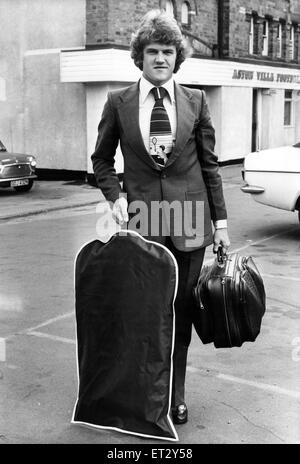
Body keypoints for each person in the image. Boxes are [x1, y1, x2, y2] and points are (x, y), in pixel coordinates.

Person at [91, 9, 230, 425]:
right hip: (143, 223)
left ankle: (176, 395)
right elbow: (101, 159)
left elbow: (210, 167)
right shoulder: (118, 102)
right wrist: (114, 196)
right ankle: (144, 391)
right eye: (152, 51)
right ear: (140, 56)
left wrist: (220, 225)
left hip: (189, 223)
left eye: (167, 51)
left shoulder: (196, 101)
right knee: (145, 311)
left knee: (181, 312)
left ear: (177, 57)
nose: (160, 58)